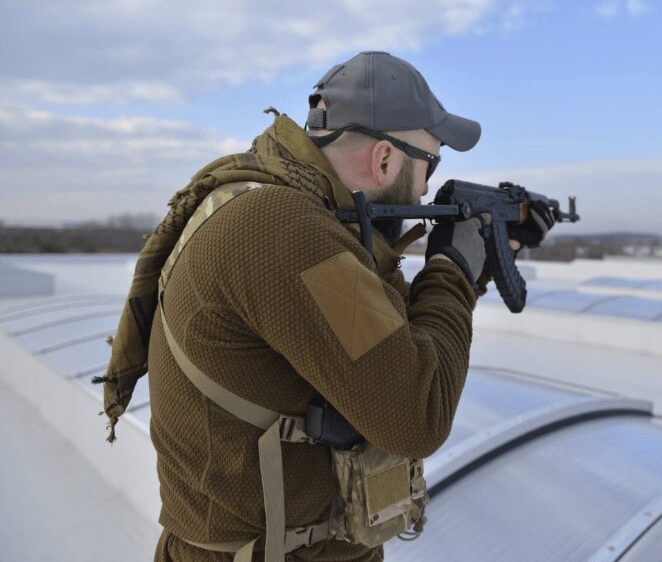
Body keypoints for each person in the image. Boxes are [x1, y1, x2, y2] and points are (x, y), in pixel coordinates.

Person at [97, 51, 508, 562]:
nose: (427, 188)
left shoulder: (280, 207)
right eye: (431, 162)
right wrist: (453, 267)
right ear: (384, 159)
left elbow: (387, 339)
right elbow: (417, 414)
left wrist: (483, 257)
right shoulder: (283, 230)